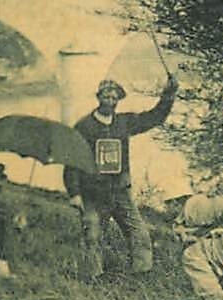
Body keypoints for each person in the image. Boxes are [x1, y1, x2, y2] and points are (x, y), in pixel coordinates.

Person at [64, 76, 178, 280]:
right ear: (99, 98)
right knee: (92, 234)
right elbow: (72, 163)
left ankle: (142, 276)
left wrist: (168, 95)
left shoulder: (124, 122)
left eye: (114, 97)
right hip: (93, 193)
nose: (110, 100)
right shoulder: (83, 127)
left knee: (139, 234)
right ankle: (93, 279)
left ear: (119, 99)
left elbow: (154, 118)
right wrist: (74, 193)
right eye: (106, 96)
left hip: (120, 191)